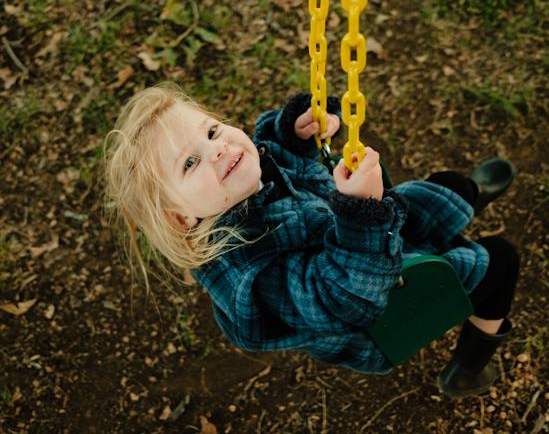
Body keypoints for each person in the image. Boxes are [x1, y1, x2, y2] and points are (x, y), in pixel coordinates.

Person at [104, 83, 519, 398]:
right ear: (182, 218)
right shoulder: (250, 275)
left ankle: (466, 196)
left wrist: (294, 135)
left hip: (357, 233)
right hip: (378, 308)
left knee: (449, 186)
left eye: (211, 132)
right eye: (190, 162)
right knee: (501, 261)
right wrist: (363, 212)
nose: (217, 149)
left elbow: (273, 152)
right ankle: (469, 366)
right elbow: (345, 299)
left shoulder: (238, 180)